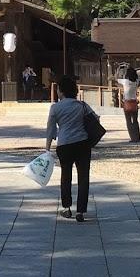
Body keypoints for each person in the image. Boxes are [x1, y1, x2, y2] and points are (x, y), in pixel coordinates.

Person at [45, 75, 98, 222]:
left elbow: (50, 129)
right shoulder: (82, 105)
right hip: (82, 143)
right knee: (83, 177)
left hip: (64, 144)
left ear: (61, 91)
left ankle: (67, 208)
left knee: (66, 175)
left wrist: (47, 148)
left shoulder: (55, 108)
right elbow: (96, 119)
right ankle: (81, 210)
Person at [118, 66, 140, 143]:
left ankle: (132, 138)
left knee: (128, 121)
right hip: (134, 103)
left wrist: (118, 70)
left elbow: (116, 78)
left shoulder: (125, 81)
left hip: (127, 103)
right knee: (135, 121)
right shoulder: (136, 82)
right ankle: (137, 137)